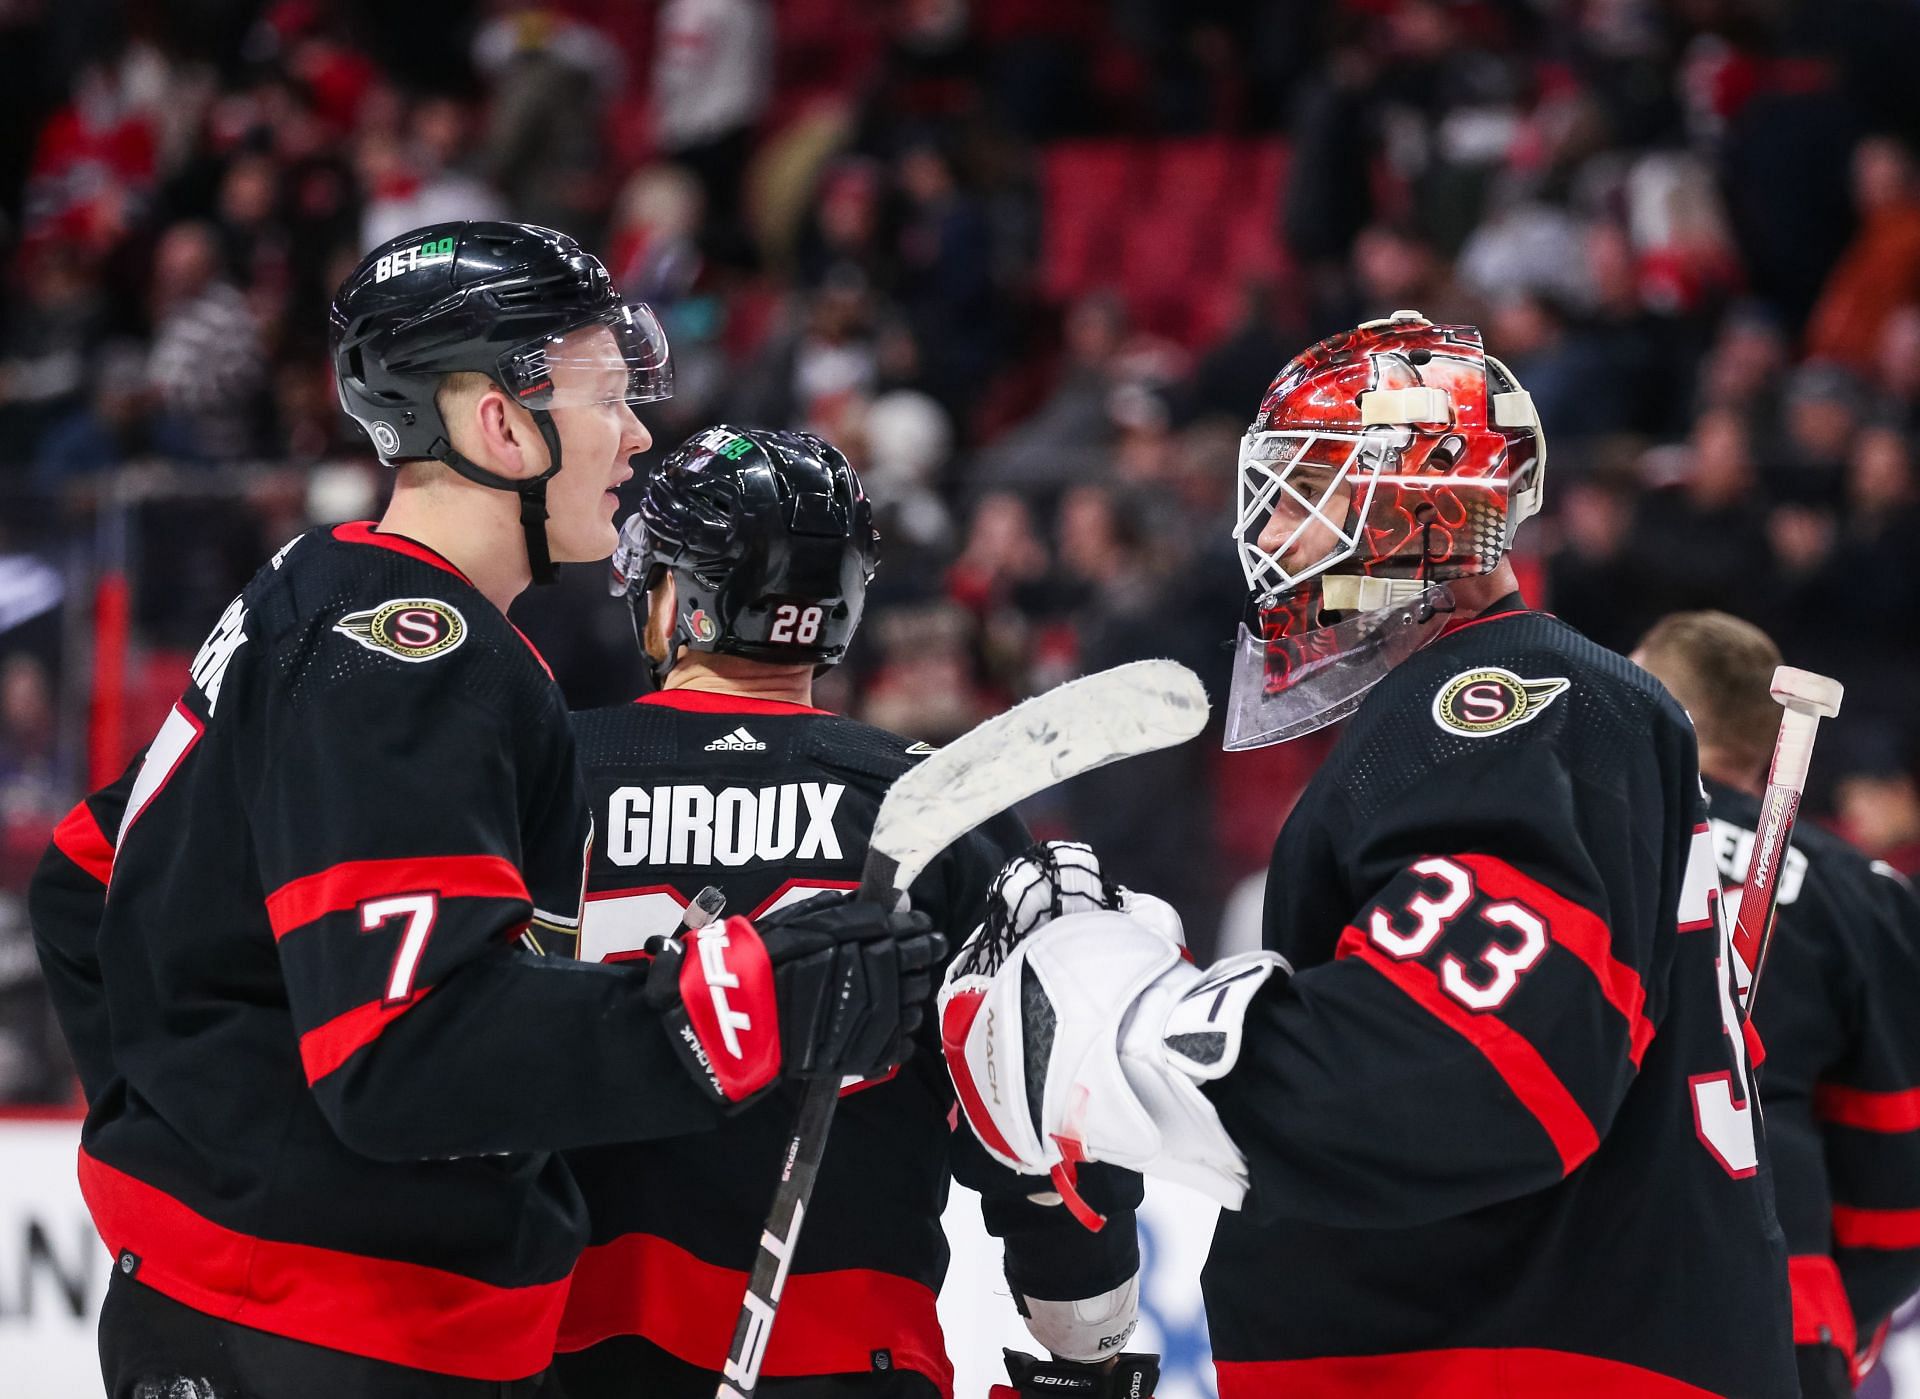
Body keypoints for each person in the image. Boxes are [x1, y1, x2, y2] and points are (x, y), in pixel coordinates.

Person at [26, 222, 938, 1399]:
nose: (638, 434)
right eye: (607, 395)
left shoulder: (324, 599)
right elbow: (403, 1055)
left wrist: (198, 1163)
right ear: (496, 423)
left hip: (269, 1315)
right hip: (333, 1339)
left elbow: (83, 875)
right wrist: (747, 997)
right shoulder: (408, 646)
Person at [937, 310, 1798, 1396]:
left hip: (1516, 1365)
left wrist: (1124, 1036)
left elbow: (1475, 1066)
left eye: (1309, 491)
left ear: (1422, 501)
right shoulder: (1502, 712)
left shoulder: (1513, 701)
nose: (1272, 539)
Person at [545, 425, 1157, 1399]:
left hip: (552, 1343)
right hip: (846, 1353)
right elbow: (1048, 1105)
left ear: (667, 593)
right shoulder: (940, 804)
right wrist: (1086, 1330)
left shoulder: (537, 772)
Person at [1635, 611, 1920, 1397]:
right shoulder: (1858, 894)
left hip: (1576, 1291)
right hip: (1780, 1306)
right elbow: (1900, 1161)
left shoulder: (1578, 839)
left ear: (1652, 698)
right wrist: (1832, 1309)